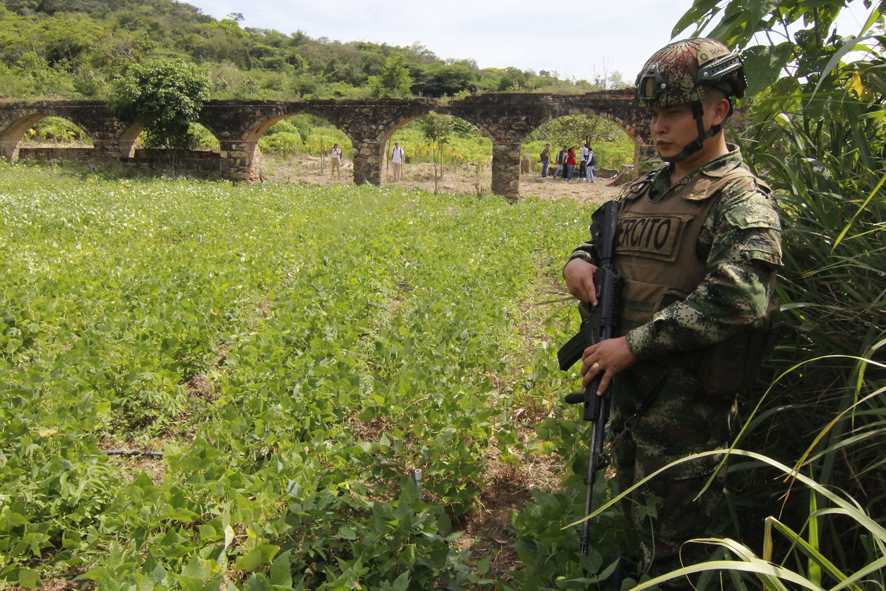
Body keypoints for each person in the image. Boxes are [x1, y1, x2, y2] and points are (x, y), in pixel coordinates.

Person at [562, 38, 782, 582]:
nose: (656, 128)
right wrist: (577, 262)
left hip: (685, 407)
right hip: (628, 392)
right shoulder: (648, 187)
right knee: (640, 513)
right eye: (653, 115)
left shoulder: (739, 197)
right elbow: (606, 246)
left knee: (682, 542)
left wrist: (633, 345)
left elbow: (740, 296)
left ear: (717, 111)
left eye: (671, 114)